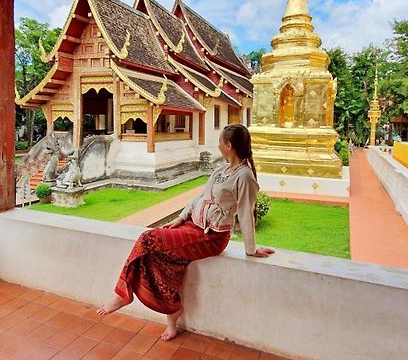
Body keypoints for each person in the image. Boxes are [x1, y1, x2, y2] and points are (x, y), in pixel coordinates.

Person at [96, 124, 275, 341]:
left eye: (220, 142)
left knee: (147, 238)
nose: (218, 146)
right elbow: (200, 198)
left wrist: (251, 249)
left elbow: (246, 213)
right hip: (192, 226)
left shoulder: (244, 176)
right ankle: (172, 313)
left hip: (210, 237)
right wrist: (180, 218)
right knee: (164, 260)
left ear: (228, 146)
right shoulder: (222, 170)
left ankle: (121, 294)